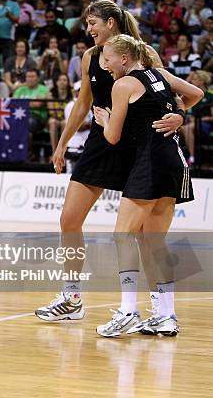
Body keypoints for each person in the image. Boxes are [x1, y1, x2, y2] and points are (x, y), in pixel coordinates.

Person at [39, 0, 189, 322]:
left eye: (92, 22)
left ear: (110, 23)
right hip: (101, 142)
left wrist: (178, 116)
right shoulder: (90, 58)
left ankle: (157, 307)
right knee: (69, 219)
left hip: (138, 147)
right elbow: (82, 105)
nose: (87, 29)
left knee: (145, 236)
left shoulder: (144, 54)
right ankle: (71, 296)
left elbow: (171, 96)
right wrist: (62, 143)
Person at [92, 34, 203, 337]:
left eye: (108, 59)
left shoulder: (123, 84)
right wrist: (180, 116)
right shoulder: (162, 74)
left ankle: (128, 311)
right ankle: (166, 316)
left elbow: (113, 138)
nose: (106, 66)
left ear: (124, 58)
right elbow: (196, 93)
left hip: (150, 162)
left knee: (122, 236)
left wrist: (105, 121)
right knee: (154, 242)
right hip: (174, 162)